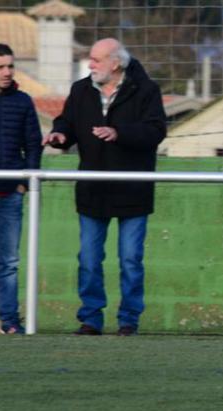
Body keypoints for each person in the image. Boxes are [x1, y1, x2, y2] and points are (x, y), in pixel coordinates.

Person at [44, 38, 166, 336]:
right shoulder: (81, 90)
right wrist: (59, 135)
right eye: (91, 59)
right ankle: (90, 318)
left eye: (97, 59)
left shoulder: (146, 91)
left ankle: (128, 320)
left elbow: (155, 131)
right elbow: (67, 124)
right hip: (92, 190)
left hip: (133, 191)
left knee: (130, 260)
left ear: (116, 63)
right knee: (88, 258)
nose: (91, 64)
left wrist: (119, 133)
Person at [0, 43, 42, 335]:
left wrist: (25, 183)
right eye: (0, 67)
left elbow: (34, 143)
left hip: (10, 195)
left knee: (9, 262)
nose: (7, 72)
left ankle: (9, 321)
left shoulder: (23, 101)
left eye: (10, 66)